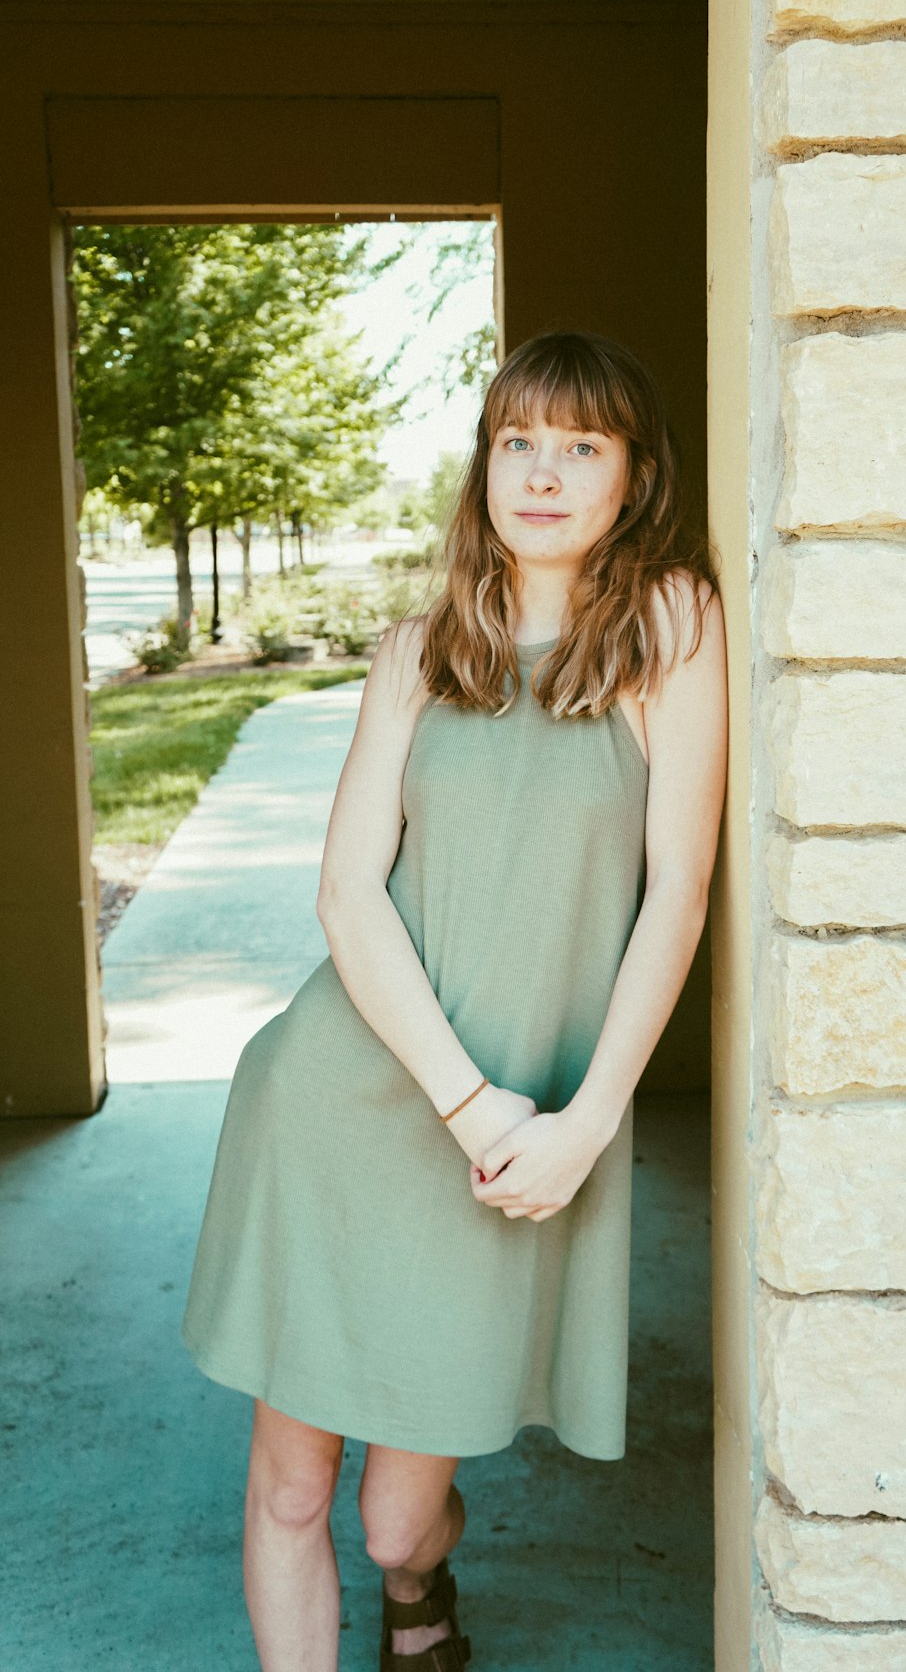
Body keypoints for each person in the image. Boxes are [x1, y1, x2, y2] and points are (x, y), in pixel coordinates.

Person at [181, 328, 728, 1672]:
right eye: (516, 441)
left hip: (519, 1136)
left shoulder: (673, 626)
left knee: (387, 1518)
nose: (541, 473)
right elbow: (350, 898)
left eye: (581, 445)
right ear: (485, 463)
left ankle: (421, 1583)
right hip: (347, 1105)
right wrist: (472, 1100)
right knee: (292, 1488)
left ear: (632, 476)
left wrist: (583, 1123)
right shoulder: (417, 647)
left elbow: (680, 894)